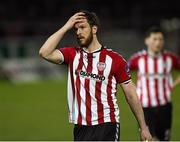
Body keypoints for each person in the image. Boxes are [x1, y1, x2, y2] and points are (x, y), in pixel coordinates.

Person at [39, 10, 152, 141]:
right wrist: (66, 26)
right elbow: (44, 52)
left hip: (107, 125)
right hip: (81, 127)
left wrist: (143, 127)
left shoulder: (114, 59)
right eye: (75, 29)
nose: (78, 32)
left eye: (82, 27)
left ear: (94, 29)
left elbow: (131, 95)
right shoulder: (73, 55)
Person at [128, 26, 180, 141]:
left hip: (165, 106)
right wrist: (134, 86)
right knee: (147, 139)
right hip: (145, 108)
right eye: (155, 39)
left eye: (161, 39)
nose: (158, 42)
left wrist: (173, 84)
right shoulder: (138, 58)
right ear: (147, 40)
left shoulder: (170, 58)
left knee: (164, 139)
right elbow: (124, 72)